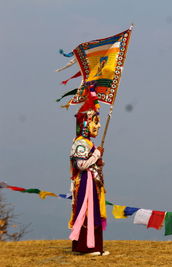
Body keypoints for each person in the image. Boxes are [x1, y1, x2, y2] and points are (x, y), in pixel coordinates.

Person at [68, 91, 109, 256]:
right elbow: (81, 164)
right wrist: (97, 155)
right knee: (87, 212)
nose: (98, 126)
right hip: (85, 182)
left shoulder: (88, 143)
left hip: (92, 182)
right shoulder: (80, 143)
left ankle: (96, 246)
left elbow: (91, 163)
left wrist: (98, 160)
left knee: (94, 212)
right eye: (95, 122)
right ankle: (87, 247)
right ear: (85, 124)